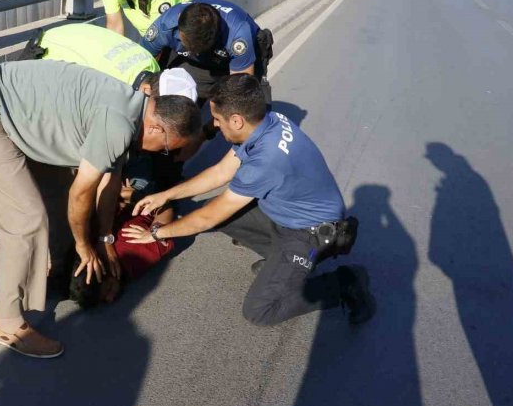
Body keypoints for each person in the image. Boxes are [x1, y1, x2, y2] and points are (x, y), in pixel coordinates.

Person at [0, 60, 201, 358]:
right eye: (168, 147)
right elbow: (82, 194)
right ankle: (7, 324)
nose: (163, 153)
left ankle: (54, 269)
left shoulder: (134, 109)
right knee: (26, 218)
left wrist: (104, 240)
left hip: (13, 110)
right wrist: (83, 245)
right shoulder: (118, 123)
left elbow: (108, 185)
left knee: (57, 195)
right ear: (157, 126)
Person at [122, 75, 375, 327]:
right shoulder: (268, 123)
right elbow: (221, 172)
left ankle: (343, 282)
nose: (216, 127)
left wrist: (156, 233)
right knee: (215, 212)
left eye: (218, 120)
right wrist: (166, 194)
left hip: (312, 234)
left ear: (236, 120)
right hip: (286, 214)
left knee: (259, 311)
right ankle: (280, 261)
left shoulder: (266, 160)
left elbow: (208, 217)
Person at [140, 0, 273, 101]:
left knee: (249, 111)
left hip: (235, 60)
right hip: (196, 62)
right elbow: (142, 64)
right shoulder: (165, 25)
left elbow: (240, 91)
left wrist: (210, 128)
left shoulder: (238, 35)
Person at [21, 23, 160, 88]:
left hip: (66, 34)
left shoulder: (151, 62)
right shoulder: (115, 85)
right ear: (146, 90)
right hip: (42, 52)